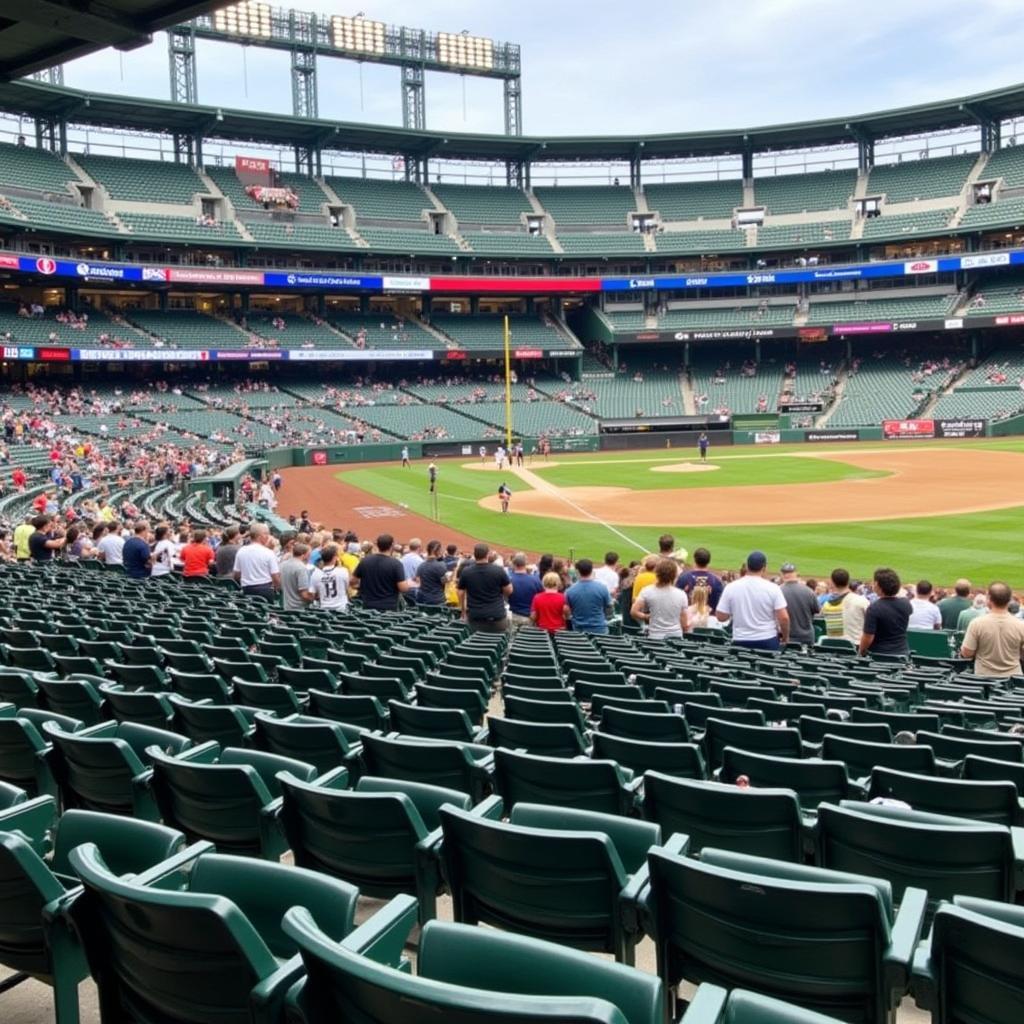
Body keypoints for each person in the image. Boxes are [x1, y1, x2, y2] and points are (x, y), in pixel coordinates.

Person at [716, 551, 790, 651]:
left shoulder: (731, 587)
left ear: (747, 566)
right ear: (764, 568)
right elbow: (784, 618)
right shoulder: (773, 588)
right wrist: (785, 638)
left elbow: (721, 617)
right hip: (767, 639)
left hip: (740, 639)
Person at [960, 582, 1024, 678]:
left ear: (989, 599)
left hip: (984, 678)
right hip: (1013, 678)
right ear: (1009, 600)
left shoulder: (977, 623)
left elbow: (967, 653)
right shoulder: (1020, 625)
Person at [457, 542, 511, 633]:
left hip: (475, 617)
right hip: (497, 617)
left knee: (477, 644)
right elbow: (509, 590)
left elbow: (460, 593)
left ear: (474, 555)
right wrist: (500, 594)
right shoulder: (498, 570)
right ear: (487, 555)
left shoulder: (466, 571)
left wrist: (463, 610)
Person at [858, 568, 912, 658]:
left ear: (877, 585)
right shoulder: (906, 603)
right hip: (902, 654)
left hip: (879, 656)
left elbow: (868, 637)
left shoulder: (874, 608)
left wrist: (861, 652)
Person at [631, 558, 689, 639]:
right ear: (674, 575)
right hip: (675, 636)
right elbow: (684, 622)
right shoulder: (682, 594)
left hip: (655, 636)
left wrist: (646, 616)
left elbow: (634, 612)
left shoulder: (647, 591)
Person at [352, 533, 409, 611]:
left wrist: (361, 587)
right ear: (392, 545)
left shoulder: (365, 561)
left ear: (377, 545)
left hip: (368, 605)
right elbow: (403, 588)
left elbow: (352, 582)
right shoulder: (396, 564)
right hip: (389, 607)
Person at [820, 568, 870, 644]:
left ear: (832, 583)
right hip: (856, 647)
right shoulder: (862, 601)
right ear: (848, 582)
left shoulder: (826, 605)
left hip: (832, 647)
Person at [232, 523, 280, 600]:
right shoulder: (269, 553)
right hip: (265, 590)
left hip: (246, 590)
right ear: (260, 536)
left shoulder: (241, 551)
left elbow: (236, 575)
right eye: (267, 534)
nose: (268, 536)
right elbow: (276, 577)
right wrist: (277, 589)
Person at [565, 558, 613, 635]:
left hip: (579, 630)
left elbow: (567, 611)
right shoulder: (602, 588)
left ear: (577, 571)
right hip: (599, 629)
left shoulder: (570, 591)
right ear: (591, 570)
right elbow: (609, 607)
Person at [778, 562, 820, 645]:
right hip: (807, 637)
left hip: (786, 637)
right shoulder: (809, 591)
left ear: (782, 575)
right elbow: (817, 610)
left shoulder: (777, 591)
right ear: (796, 574)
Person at [507, 552, 543, 630]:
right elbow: (542, 598)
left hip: (515, 615)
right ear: (525, 564)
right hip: (530, 617)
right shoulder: (535, 580)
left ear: (514, 564)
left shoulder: (508, 579)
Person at [309, 543, 349, 612]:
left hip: (324, 610)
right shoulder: (343, 571)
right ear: (334, 557)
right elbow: (346, 588)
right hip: (341, 610)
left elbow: (313, 594)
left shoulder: (315, 574)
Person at [413, 540, 448, 607]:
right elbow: (444, 582)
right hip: (437, 600)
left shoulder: (421, 565)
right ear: (438, 551)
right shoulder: (440, 565)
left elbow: (418, 581)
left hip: (422, 599)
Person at [280, 542, 314, 611]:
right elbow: (304, 594)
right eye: (309, 554)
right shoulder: (301, 568)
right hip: (299, 608)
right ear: (304, 555)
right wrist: (313, 598)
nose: (310, 556)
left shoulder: (283, 565)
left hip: (286, 606)